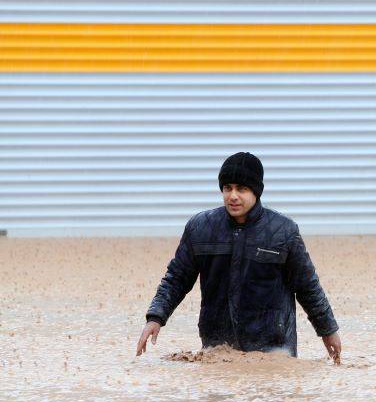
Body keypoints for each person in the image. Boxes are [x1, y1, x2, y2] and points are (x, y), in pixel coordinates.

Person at [135, 152, 342, 362]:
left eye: (241, 189)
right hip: (218, 349)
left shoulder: (283, 231)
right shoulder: (200, 228)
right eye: (227, 188)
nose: (233, 196)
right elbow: (176, 278)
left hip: (273, 350)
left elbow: (308, 287)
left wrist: (328, 331)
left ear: (256, 191)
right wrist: (155, 318)